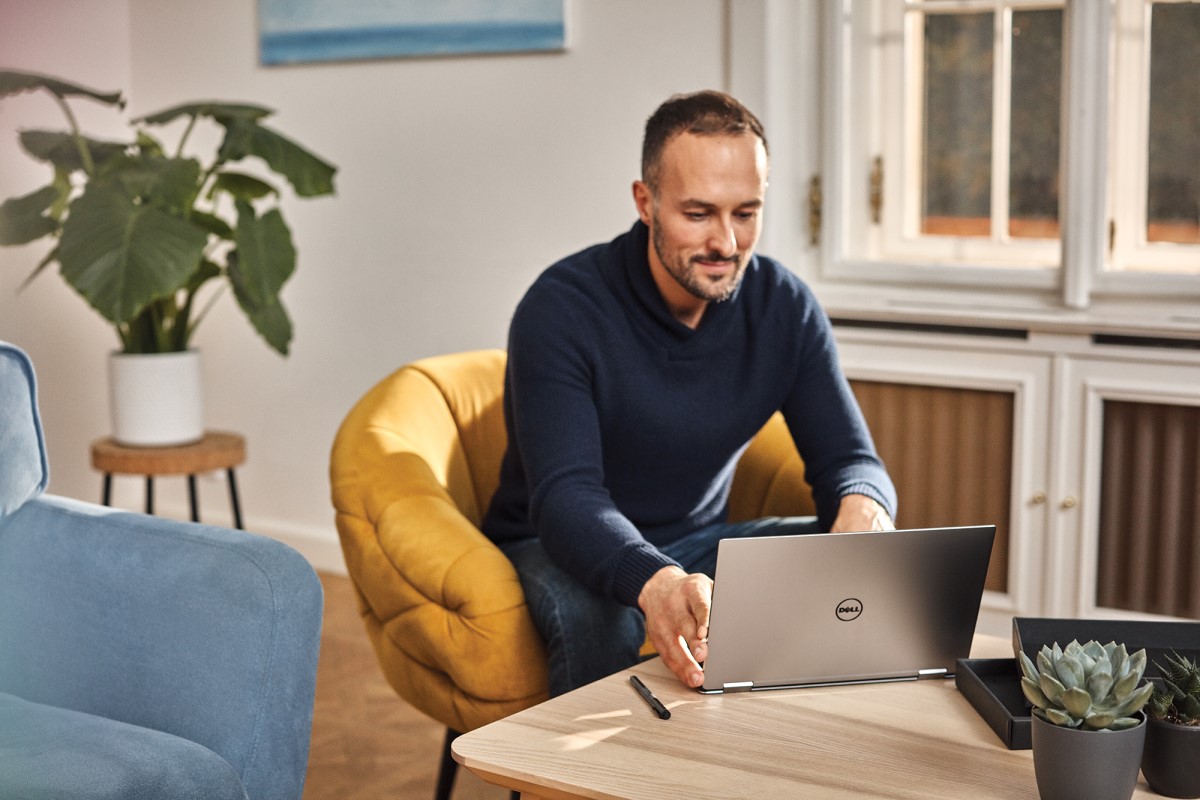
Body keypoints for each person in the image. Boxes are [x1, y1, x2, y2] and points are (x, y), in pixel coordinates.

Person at [482, 90, 896, 696]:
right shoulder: (561, 308)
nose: (726, 244)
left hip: (698, 540)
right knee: (594, 615)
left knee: (857, 565)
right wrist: (656, 579)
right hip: (553, 541)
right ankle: (580, 787)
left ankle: (773, 758)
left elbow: (851, 460)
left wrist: (862, 511)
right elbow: (567, 495)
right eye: (698, 214)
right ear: (645, 203)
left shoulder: (784, 306)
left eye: (746, 213)